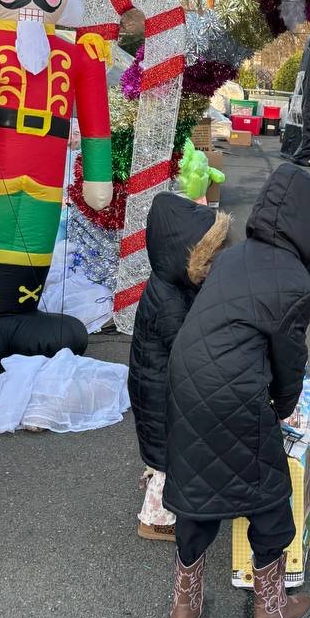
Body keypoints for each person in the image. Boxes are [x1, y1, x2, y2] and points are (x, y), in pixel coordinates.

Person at [162, 163, 310, 618]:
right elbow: (289, 357)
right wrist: (283, 405)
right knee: (267, 497)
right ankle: (270, 608)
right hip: (238, 393)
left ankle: (184, 606)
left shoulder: (231, 257)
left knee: (198, 490)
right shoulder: (296, 283)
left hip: (185, 384)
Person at [128, 194, 231, 540]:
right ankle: (154, 520)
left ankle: (166, 502)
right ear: (184, 254)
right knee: (166, 458)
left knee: (168, 453)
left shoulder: (171, 284)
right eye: (207, 256)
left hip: (156, 384)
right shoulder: (168, 301)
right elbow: (187, 350)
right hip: (158, 394)